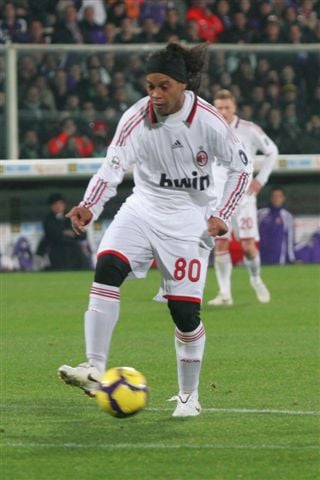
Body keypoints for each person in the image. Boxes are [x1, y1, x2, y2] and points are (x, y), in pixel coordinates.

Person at [57, 43, 251, 417]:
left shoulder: (210, 122)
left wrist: (223, 213)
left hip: (190, 220)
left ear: (182, 84)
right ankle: (95, 367)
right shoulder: (135, 119)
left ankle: (188, 397)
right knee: (107, 267)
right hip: (143, 207)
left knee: (184, 314)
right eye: (150, 87)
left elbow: (241, 170)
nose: (155, 95)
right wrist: (89, 206)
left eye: (163, 86)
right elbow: (111, 168)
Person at [207, 89, 278, 306]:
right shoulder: (208, 129)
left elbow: (272, 151)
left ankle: (255, 278)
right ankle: (225, 293)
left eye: (227, 107)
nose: (224, 111)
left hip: (243, 197)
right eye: (219, 107)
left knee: (248, 246)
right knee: (220, 244)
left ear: (234, 108)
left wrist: (260, 180)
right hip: (218, 198)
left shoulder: (248, 129)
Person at [42, 193, 91, 271]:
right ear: (51, 206)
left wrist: (72, 234)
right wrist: (65, 233)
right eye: (55, 204)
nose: (58, 206)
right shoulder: (48, 219)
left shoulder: (72, 216)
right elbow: (51, 235)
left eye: (60, 203)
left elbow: (82, 234)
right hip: (57, 252)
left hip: (74, 250)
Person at [258, 186, 295, 265]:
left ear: (283, 198)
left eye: (279, 196)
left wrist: (292, 259)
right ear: (270, 198)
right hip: (260, 257)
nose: (276, 199)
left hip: (279, 259)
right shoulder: (260, 214)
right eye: (274, 196)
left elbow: (290, 240)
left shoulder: (287, 216)